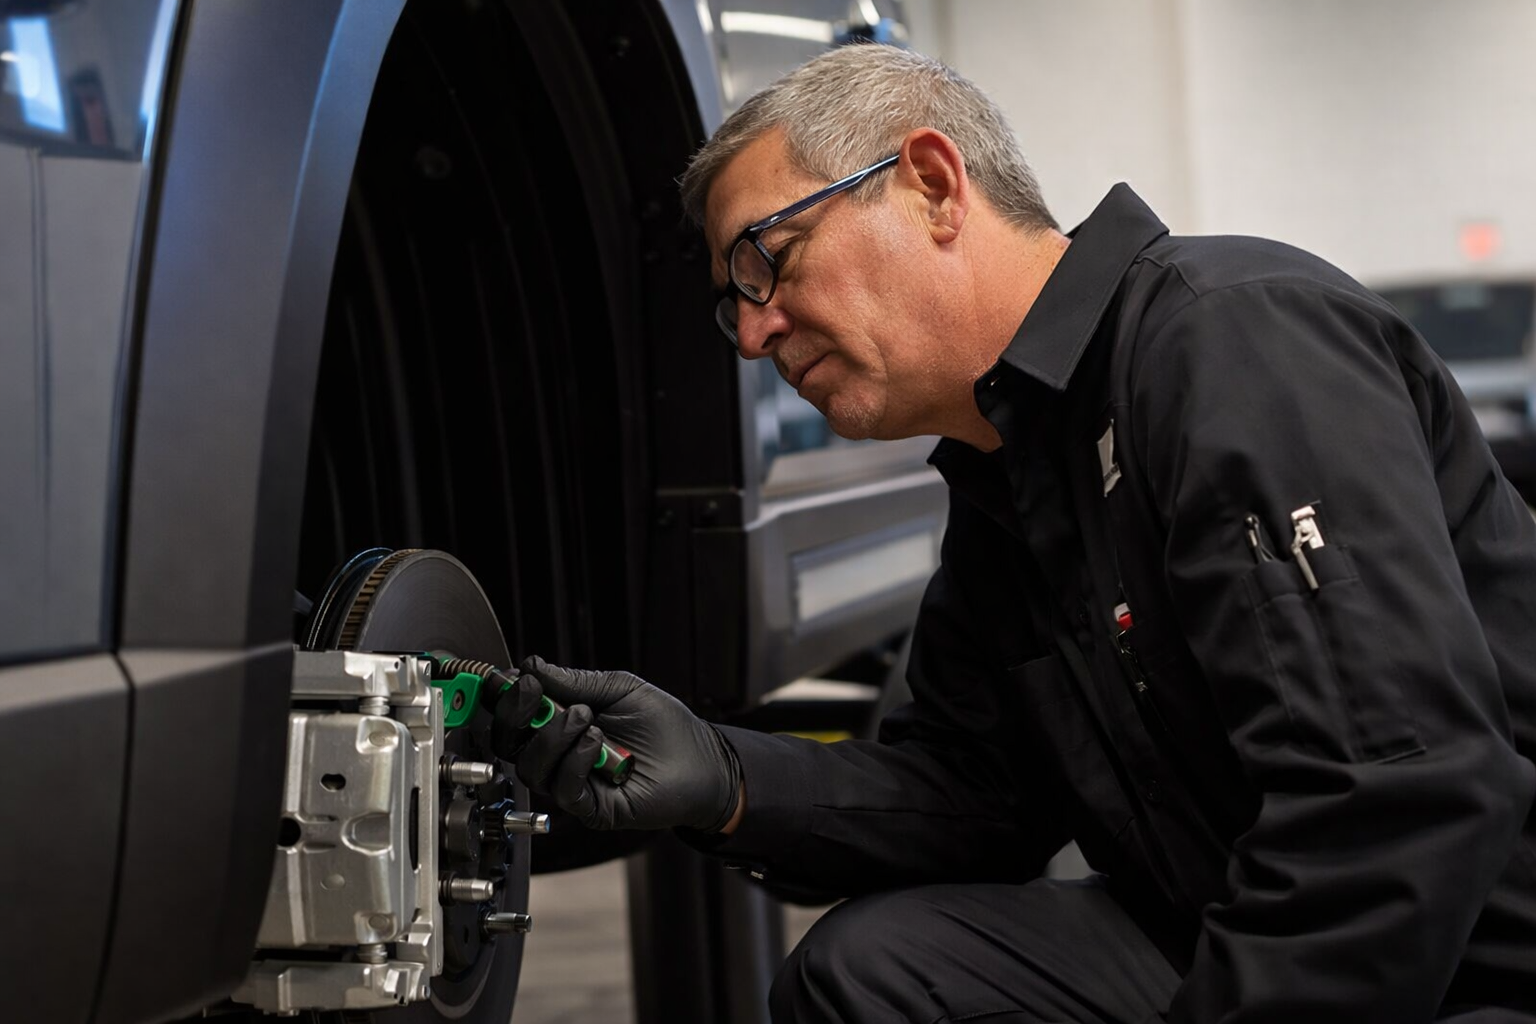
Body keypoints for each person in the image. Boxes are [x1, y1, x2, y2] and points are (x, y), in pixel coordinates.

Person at [490, 43, 1536, 1022]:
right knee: (874, 973)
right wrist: (726, 780)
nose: (756, 332)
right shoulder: (1014, 479)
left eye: (771, 260)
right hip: (1238, 918)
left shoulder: (1226, 341)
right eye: (736, 305)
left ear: (934, 184)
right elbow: (977, 798)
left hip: (1472, 954)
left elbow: (1399, 791)